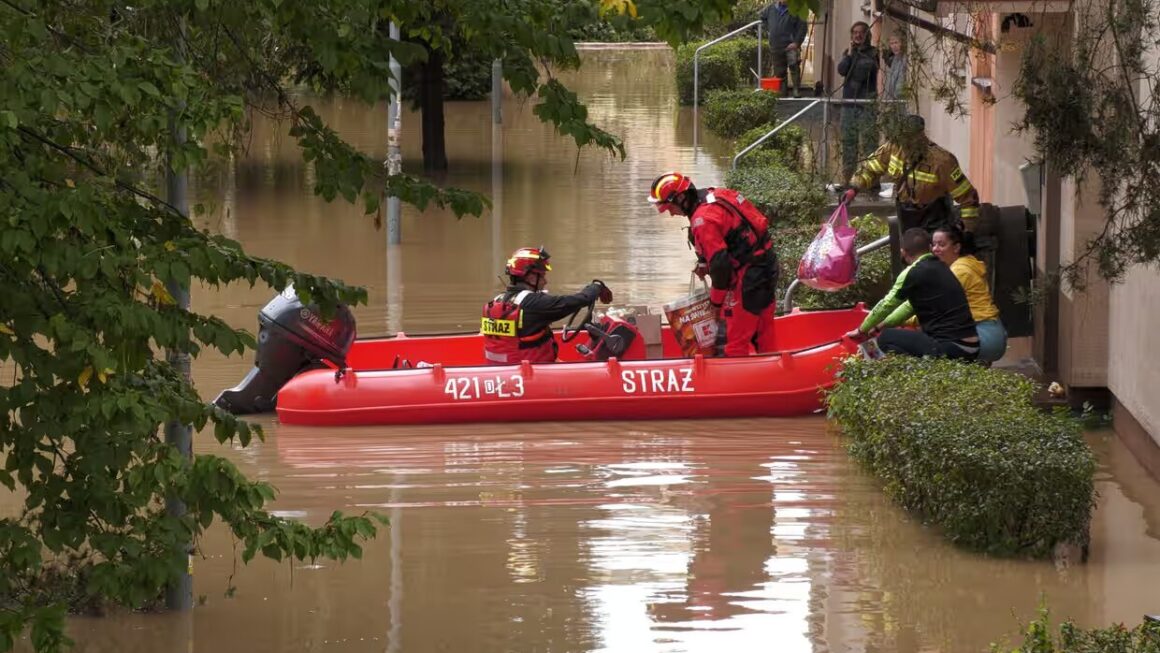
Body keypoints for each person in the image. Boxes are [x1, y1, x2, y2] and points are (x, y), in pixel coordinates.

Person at [647, 172, 778, 357]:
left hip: (748, 278)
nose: (670, 213)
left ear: (682, 198)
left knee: (733, 341)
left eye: (669, 207)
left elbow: (720, 266)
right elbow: (732, 235)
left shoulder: (703, 220)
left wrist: (715, 303)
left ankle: (736, 381)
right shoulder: (716, 194)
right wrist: (703, 263)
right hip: (768, 265)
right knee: (764, 330)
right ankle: (772, 369)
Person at [845, 228, 979, 360]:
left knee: (886, 338)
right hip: (972, 347)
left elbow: (886, 304)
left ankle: (864, 368)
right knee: (891, 340)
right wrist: (880, 326)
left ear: (903, 252)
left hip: (951, 346)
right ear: (930, 247)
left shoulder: (913, 272)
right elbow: (909, 307)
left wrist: (861, 330)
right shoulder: (940, 266)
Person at [843, 114, 980, 234]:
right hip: (905, 217)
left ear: (921, 135)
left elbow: (968, 198)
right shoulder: (893, 148)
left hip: (935, 221)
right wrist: (854, 188)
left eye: (909, 139)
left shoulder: (942, 162)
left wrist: (966, 230)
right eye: (902, 138)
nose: (905, 144)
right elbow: (869, 169)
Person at [481, 247, 613, 365]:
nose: (545, 281)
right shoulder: (533, 304)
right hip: (532, 374)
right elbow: (577, 301)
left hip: (500, 371)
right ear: (530, 277)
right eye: (542, 275)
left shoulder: (494, 304)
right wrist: (596, 287)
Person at [837, 21, 879, 185]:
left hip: (866, 105)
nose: (857, 35)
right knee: (849, 142)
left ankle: (872, 180)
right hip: (849, 105)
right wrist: (849, 54)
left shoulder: (873, 53)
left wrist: (859, 54)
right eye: (854, 32)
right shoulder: (849, 53)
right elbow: (841, 70)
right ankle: (848, 179)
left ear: (866, 35)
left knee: (869, 143)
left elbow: (864, 71)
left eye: (861, 32)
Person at [760, 0, 807, 97]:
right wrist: (768, 30)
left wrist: (797, 42)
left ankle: (796, 90)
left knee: (794, 67)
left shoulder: (796, 9)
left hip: (791, 45)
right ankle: (782, 91)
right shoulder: (770, 9)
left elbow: (802, 27)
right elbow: (761, 18)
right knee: (779, 70)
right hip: (776, 45)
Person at [879, 30, 908, 104]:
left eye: (896, 42)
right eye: (892, 43)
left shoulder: (906, 59)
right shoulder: (894, 60)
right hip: (894, 99)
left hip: (902, 99)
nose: (894, 46)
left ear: (903, 43)